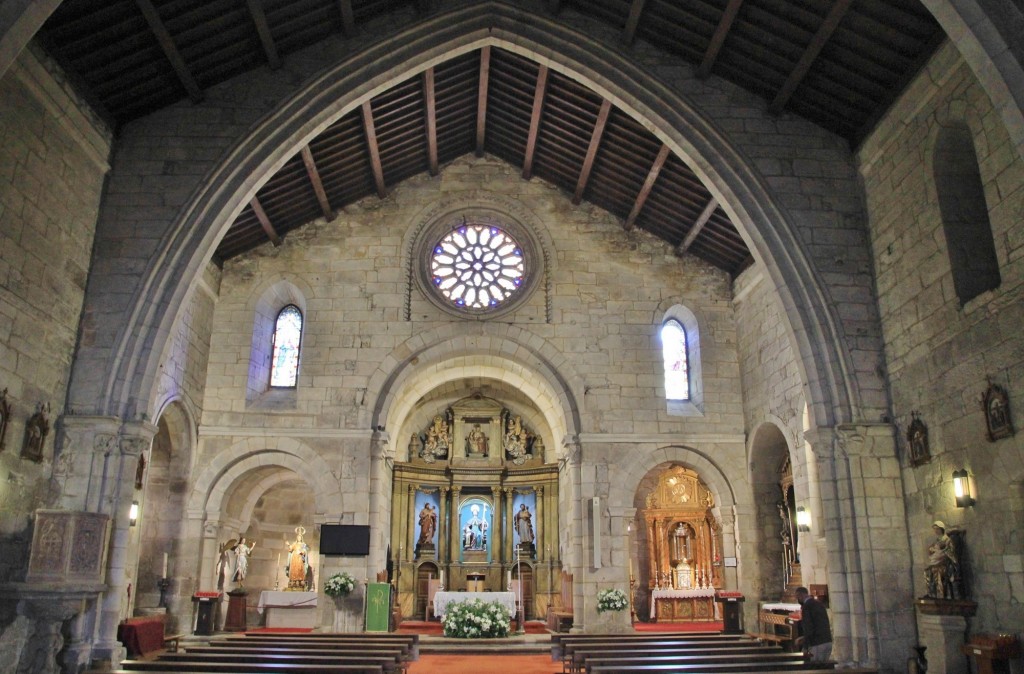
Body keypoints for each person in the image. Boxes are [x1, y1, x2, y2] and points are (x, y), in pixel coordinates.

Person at [795, 586, 832, 663]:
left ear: (800, 595)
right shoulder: (819, 603)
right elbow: (819, 625)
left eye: (797, 597)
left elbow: (809, 628)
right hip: (827, 641)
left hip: (817, 644)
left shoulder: (807, 606)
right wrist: (803, 637)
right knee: (824, 669)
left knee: (815, 668)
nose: (797, 600)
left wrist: (805, 646)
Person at [924, 520, 958, 598]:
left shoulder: (947, 540)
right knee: (927, 571)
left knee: (937, 570)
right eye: (935, 529)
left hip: (945, 563)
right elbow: (931, 550)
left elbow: (950, 552)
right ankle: (931, 593)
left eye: (937, 529)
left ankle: (941, 594)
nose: (936, 531)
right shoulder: (937, 541)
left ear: (941, 529)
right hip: (937, 560)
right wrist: (932, 550)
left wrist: (941, 552)